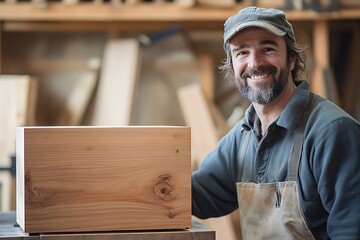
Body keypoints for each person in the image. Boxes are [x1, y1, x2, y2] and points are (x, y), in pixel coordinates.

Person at [191, 6, 360, 239]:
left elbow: (351, 230)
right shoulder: (242, 137)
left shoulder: (332, 132)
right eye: (242, 52)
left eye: (267, 48)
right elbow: (193, 196)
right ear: (232, 65)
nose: (254, 63)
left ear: (292, 59)